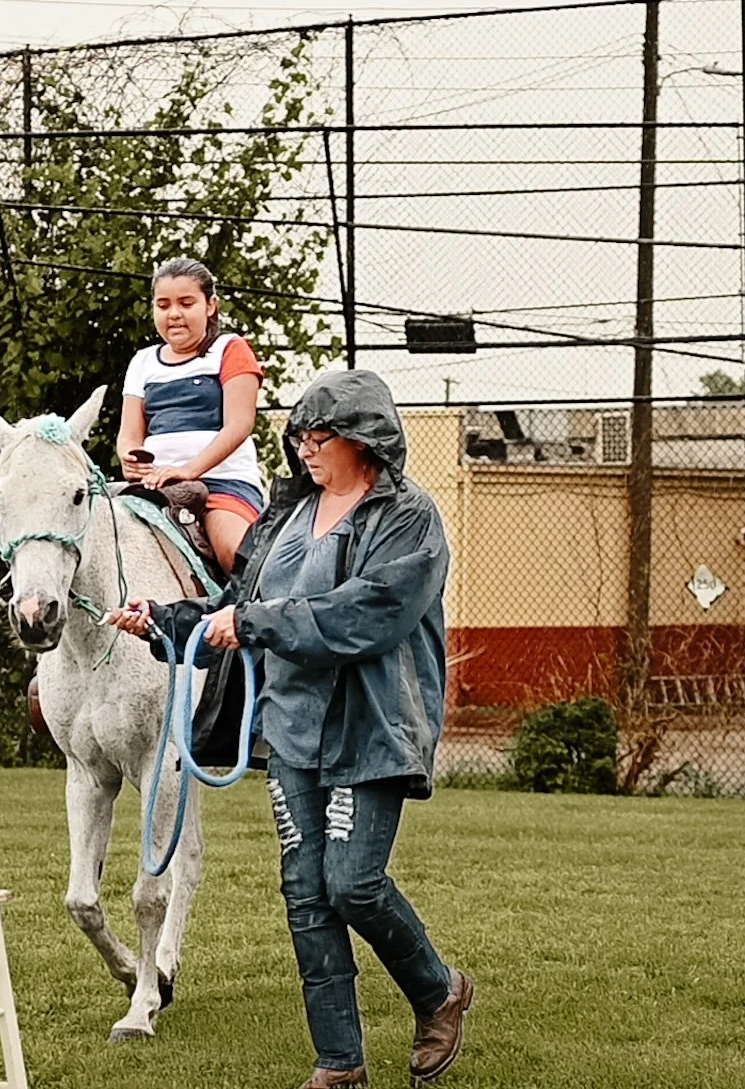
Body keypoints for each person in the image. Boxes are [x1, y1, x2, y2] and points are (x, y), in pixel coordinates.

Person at [107, 370, 471, 1089]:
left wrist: (248, 622)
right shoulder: (287, 514)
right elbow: (240, 605)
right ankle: (339, 1064)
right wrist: (167, 621)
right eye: (299, 435)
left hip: (373, 728)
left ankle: (438, 990)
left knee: (352, 884)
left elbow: (366, 614)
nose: (305, 448)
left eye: (321, 435)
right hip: (291, 729)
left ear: (366, 439)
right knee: (305, 892)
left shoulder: (409, 518)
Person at [118, 257, 265, 575]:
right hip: (155, 484)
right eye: (163, 304)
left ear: (211, 305)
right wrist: (130, 458)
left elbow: (239, 425)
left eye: (186, 303)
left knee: (238, 557)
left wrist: (187, 471)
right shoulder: (142, 362)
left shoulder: (230, 348)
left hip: (221, 484)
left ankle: (256, 618)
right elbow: (130, 433)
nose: (174, 314)